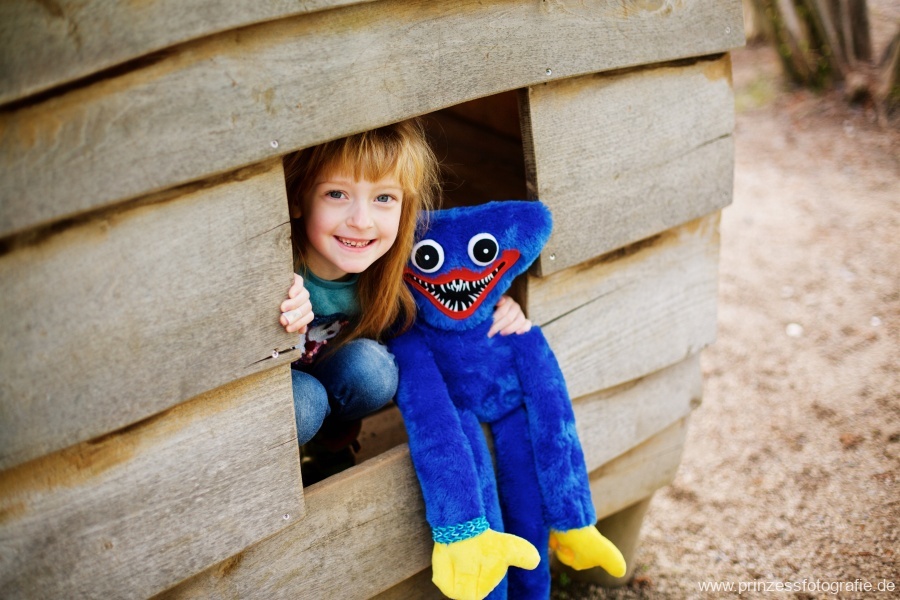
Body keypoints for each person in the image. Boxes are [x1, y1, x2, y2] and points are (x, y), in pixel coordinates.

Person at [279, 119, 532, 483]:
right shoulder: (278, 267)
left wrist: (504, 309)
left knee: (374, 370)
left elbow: (452, 299)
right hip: (284, 395)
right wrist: (273, 303)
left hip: (336, 381)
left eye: (384, 198)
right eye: (336, 194)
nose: (362, 221)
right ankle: (285, 468)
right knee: (305, 401)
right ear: (297, 200)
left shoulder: (396, 268)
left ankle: (329, 447)